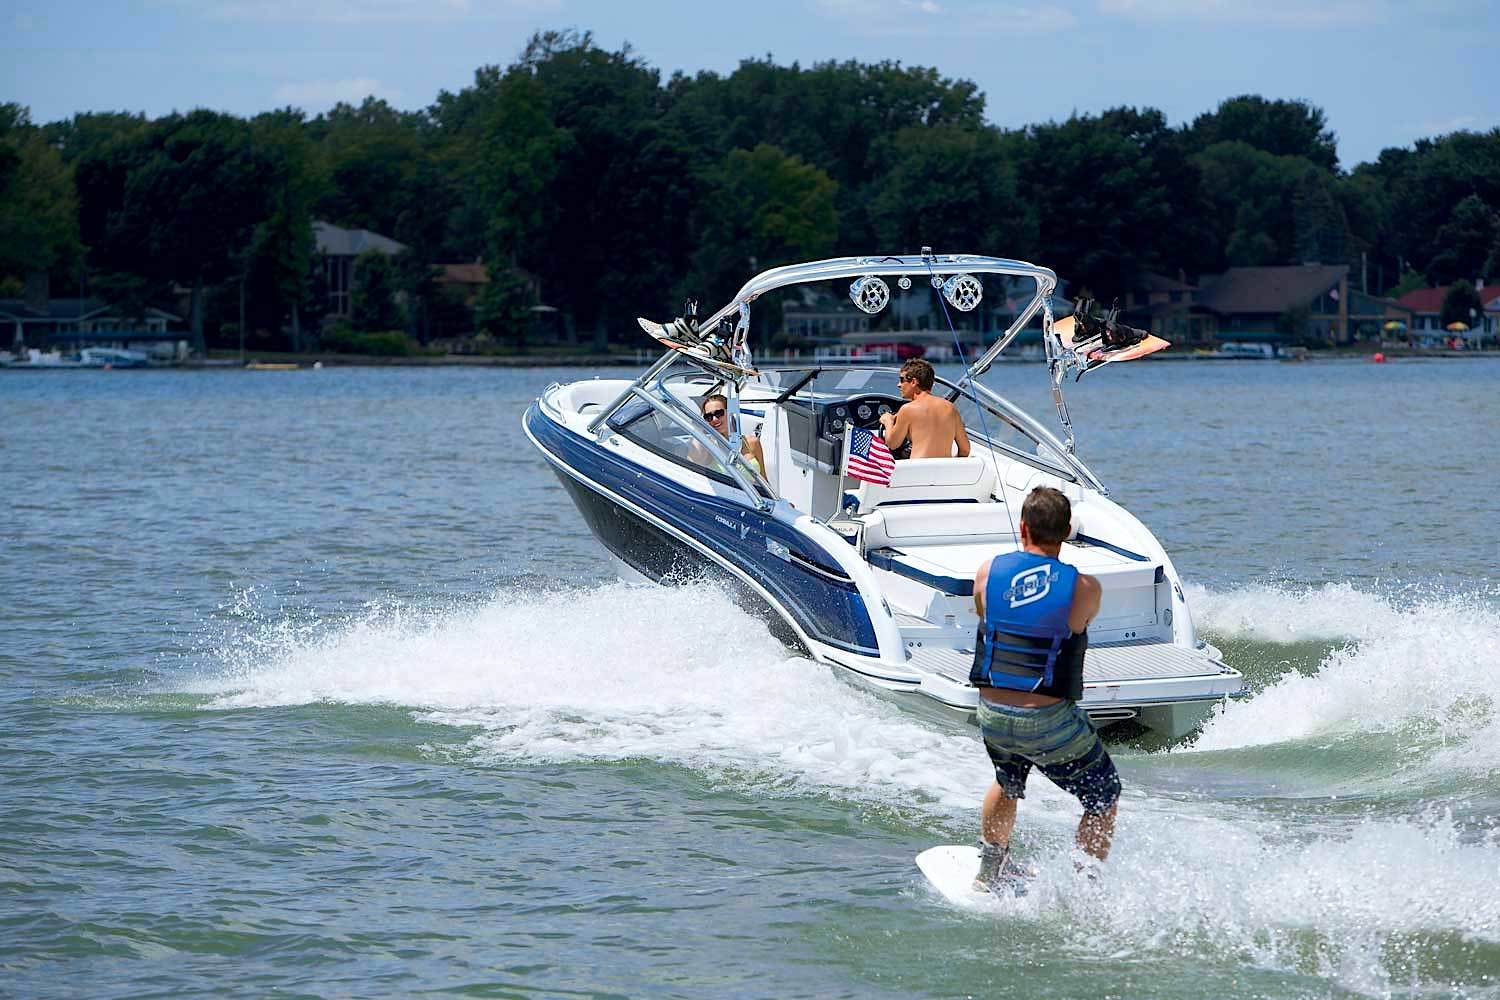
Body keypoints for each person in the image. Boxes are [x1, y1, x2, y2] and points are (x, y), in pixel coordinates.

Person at [969, 486, 1119, 892]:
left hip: (992, 713)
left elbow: (984, 613)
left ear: (1023, 528)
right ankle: (1085, 889)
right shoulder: (1085, 588)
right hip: (1047, 719)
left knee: (1008, 780)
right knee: (1104, 795)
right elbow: (1078, 624)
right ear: (1067, 532)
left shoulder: (987, 572)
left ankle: (990, 871)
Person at [877, 358, 969, 459]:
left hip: (918, 467)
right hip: (946, 468)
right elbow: (965, 450)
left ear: (913, 382)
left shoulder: (907, 409)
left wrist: (888, 421)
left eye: (902, 380)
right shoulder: (950, 408)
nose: (898, 385)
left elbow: (892, 444)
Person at [693, 393, 767, 475]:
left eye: (719, 413)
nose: (714, 419)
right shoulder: (708, 447)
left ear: (730, 412)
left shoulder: (752, 442)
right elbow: (696, 463)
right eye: (708, 416)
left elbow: (763, 476)